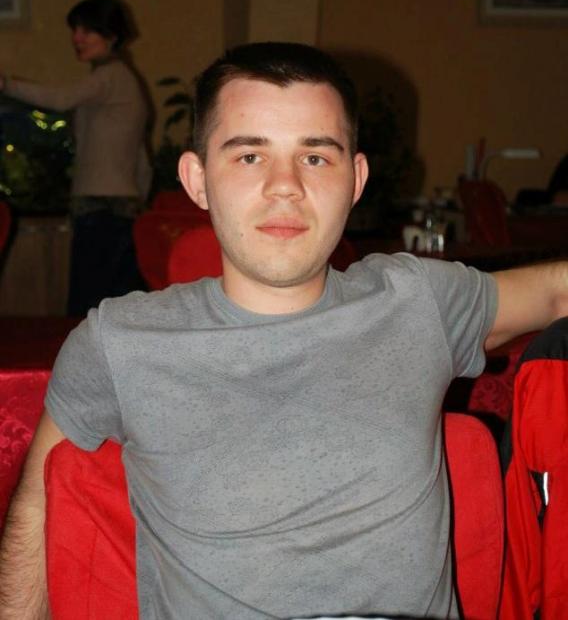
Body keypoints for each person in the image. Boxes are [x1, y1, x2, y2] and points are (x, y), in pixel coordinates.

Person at [0, 42, 567, 620]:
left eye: (315, 158)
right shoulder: (119, 341)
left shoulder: (418, 299)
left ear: (356, 179)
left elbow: (553, 291)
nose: (285, 186)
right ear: (197, 179)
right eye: (250, 156)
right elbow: (37, 508)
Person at [0, 0, 150, 316]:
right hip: (119, 211)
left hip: (101, 210)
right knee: (117, 308)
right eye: (75, 29)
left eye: (86, 30)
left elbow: (61, 99)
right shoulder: (123, 80)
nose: (76, 38)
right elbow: (140, 160)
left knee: (87, 308)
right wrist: (137, 204)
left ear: (111, 36)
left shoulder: (110, 75)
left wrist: (6, 84)